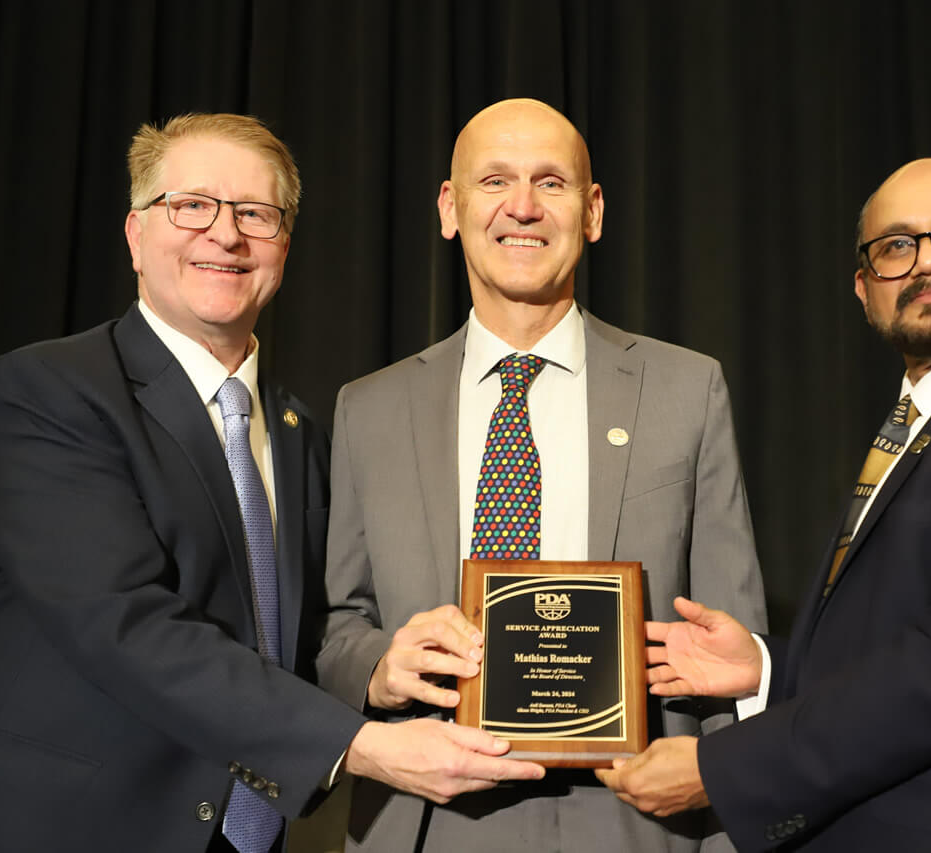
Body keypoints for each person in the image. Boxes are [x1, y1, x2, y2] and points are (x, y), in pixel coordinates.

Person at [0, 113, 542, 853]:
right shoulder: (49, 391)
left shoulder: (298, 430)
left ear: (284, 246)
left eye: (256, 213)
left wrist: (382, 668)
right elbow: (123, 623)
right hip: (84, 826)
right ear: (135, 235)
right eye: (192, 205)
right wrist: (360, 745)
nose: (226, 234)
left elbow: (292, 635)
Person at [597, 158, 931, 852]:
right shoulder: (925, 417)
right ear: (864, 289)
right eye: (896, 246)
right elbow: (896, 643)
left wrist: (724, 767)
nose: (929, 263)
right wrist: (766, 669)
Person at [316, 98, 767, 852]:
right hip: (427, 817)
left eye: (551, 183)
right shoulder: (369, 408)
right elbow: (337, 631)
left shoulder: (687, 390)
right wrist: (380, 668)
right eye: (494, 180)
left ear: (593, 212)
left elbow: (729, 637)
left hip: (633, 818)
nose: (522, 207)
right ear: (449, 208)